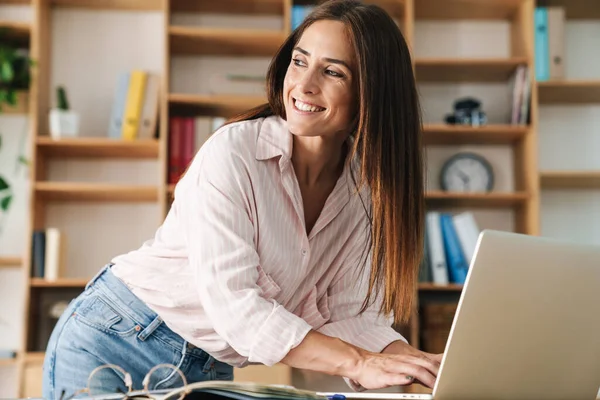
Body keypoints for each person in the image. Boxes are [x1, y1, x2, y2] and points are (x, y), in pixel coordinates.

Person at [42, 0, 441, 398]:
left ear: (372, 92)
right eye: (299, 62)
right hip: (115, 339)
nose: (303, 85)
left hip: (206, 365)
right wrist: (358, 362)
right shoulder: (233, 153)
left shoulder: (364, 194)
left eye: (332, 71)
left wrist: (409, 360)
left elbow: (350, 313)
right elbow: (236, 307)